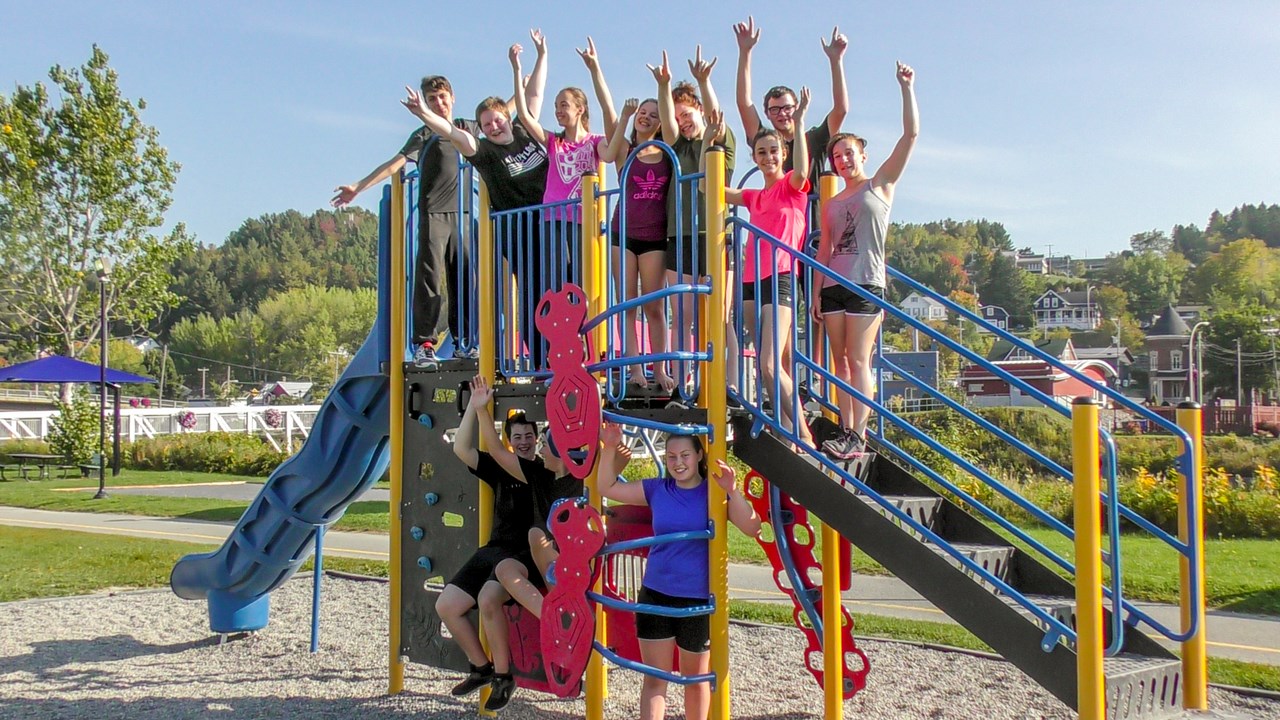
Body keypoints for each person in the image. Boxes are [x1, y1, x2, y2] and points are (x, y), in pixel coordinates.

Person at [401, 31, 554, 369]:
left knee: (560, 285)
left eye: (497, 120)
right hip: (517, 232)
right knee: (531, 293)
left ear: (505, 118)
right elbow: (453, 134)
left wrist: (539, 55)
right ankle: (540, 359)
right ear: (482, 130)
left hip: (550, 224)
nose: (494, 126)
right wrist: (424, 114)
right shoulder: (484, 152)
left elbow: (535, 93)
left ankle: (565, 351)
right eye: (487, 124)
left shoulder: (527, 131)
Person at [597, 423, 761, 720]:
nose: (678, 462)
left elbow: (752, 527)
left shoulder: (713, 493)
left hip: (697, 600)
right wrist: (610, 448)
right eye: (671, 456)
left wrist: (732, 491)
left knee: (694, 679)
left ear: (699, 455)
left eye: (685, 454)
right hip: (656, 594)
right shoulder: (658, 489)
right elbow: (607, 488)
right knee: (655, 679)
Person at [332, 75, 483, 368]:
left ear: (452, 98)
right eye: (432, 100)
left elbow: (506, 112)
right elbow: (394, 164)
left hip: (463, 215)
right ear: (426, 104)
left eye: (442, 97)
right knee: (430, 277)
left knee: (464, 279)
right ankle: (424, 343)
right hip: (434, 213)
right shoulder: (424, 134)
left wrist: (521, 75)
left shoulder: (468, 128)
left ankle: (465, 342)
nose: (439, 104)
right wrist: (358, 186)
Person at [813, 62, 919, 460]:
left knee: (860, 359)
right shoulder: (833, 202)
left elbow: (910, 135)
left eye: (849, 153)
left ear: (862, 154)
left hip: (866, 283)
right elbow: (824, 251)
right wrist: (816, 293)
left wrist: (906, 88)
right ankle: (845, 429)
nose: (843, 160)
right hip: (834, 284)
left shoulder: (881, 184)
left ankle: (859, 433)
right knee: (840, 362)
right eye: (837, 156)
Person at [705, 88, 815, 447]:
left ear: (782, 154)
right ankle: (783, 426)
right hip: (751, 280)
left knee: (770, 363)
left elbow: (802, 167)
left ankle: (802, 434)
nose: (768, 157)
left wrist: (798, 125)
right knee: (766, 363)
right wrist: (710, 140)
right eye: (761, 152)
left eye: (773, 151)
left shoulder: (792, 187)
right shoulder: (755, 196)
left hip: (780, 277)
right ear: (754, 157)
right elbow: (711, 189)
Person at [440, 378, 542, 711]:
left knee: (487, 599)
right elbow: (461, 449)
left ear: (537, 439)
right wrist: (473, 404)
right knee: (447, 606)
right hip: (495, 548)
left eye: (529, 436)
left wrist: (485, 410)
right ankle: (481, 667)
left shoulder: (541, 470)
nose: (524, 442)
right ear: (510, 441)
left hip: (526, 554)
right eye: (518, 438)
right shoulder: (501, 469)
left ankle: (502, 675)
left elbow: (494, 448)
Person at [648, 48, 738, 392]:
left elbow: (715, 117)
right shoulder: (677, 146)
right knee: (682, 315)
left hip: (713, 234)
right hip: (680, 236)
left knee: (719, 315)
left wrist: (703, 80)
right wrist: (664, 84)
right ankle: (684, 383)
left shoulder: (718, 138)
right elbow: (669, 124)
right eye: (678, 116)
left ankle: (727, 384)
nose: (683, 121)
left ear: (698, 110)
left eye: (687, 114)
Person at [461, 376, 581, 628]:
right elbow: (493, 451)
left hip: (569, 553)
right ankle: (554, 619)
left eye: (535, 439)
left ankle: (561, 611)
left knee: (536, 535)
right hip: (541, 555)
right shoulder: (535, 473)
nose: (530, 445)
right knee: (508, 567)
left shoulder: (575, 477)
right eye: (518, 437)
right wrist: (480, 409)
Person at [510, 35, 611, 299]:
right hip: (552, 217)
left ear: (580, 109)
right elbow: (524, 115)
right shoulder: (554, 141)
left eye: (563, 105)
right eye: (556, 106)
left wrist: (594, 69)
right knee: (554, 282)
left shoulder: (594, 143)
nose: (558, 111)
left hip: (582, 218)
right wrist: (517, 69)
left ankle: (582, 332)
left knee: (581, 281)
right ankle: (560, 333)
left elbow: (611, 151)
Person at [601, 96, 677, 391]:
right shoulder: (626, 149)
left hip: (655, 236)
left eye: (652, 115)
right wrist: (624, 114)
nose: (645, 117)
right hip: (624, 234)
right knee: (628, 304)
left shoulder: (667, 153)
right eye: (642, 113)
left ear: (660, 122)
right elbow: (608, 155)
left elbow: (673, 131)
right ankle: (635, 369)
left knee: (655, 307)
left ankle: (659, 367)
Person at [733, 17, 848, 184]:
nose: (782, 114)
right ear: (767, 114)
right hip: (779, 209)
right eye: (775, 110)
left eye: (787, 108)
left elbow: (841, 109)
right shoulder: (766, 142)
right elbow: (744, 103)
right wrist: (745, 52)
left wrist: (836, 61)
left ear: (797, 108)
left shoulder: (815, 138)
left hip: (811, 209)